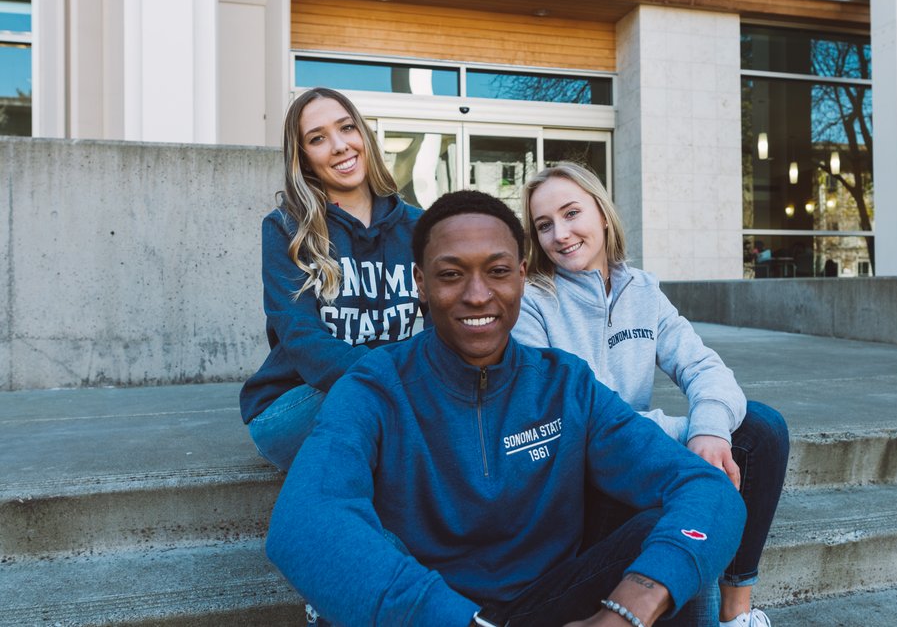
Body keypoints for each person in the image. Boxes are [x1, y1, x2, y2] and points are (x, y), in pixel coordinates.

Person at [266, 190, 747, 627]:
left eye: (497, 271)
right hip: (434, 611)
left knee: (672, 550)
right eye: (452, 274)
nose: (478, 295)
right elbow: (303, 521)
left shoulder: (564, 383)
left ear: (521, 275)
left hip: (551, 601)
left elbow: (705, 488)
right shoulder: (375, 386)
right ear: (420, 282)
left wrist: (631, 606)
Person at [512, 163, 789, 627]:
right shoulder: (532, 302)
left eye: (571, 213)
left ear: (602, 213)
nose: (560, 234)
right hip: (584, 479)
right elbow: (578, 421)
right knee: (691, 491)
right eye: (544, 225)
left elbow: (702, 366)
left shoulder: (641, 288)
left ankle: (736, 612)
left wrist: (709, 428)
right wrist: (685, 434)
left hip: (640, 453)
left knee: (761, 428)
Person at [240, 87, 423, 471]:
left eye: (346, 128)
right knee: (392, 411)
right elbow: (300, 335)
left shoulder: (420, 227)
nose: (340, 146)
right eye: (318, 138)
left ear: (364, 137)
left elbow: (444, 325)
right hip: (299, 401)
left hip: (391, 391)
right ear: (304, 158)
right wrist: (395, 377)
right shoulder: (286, 229)